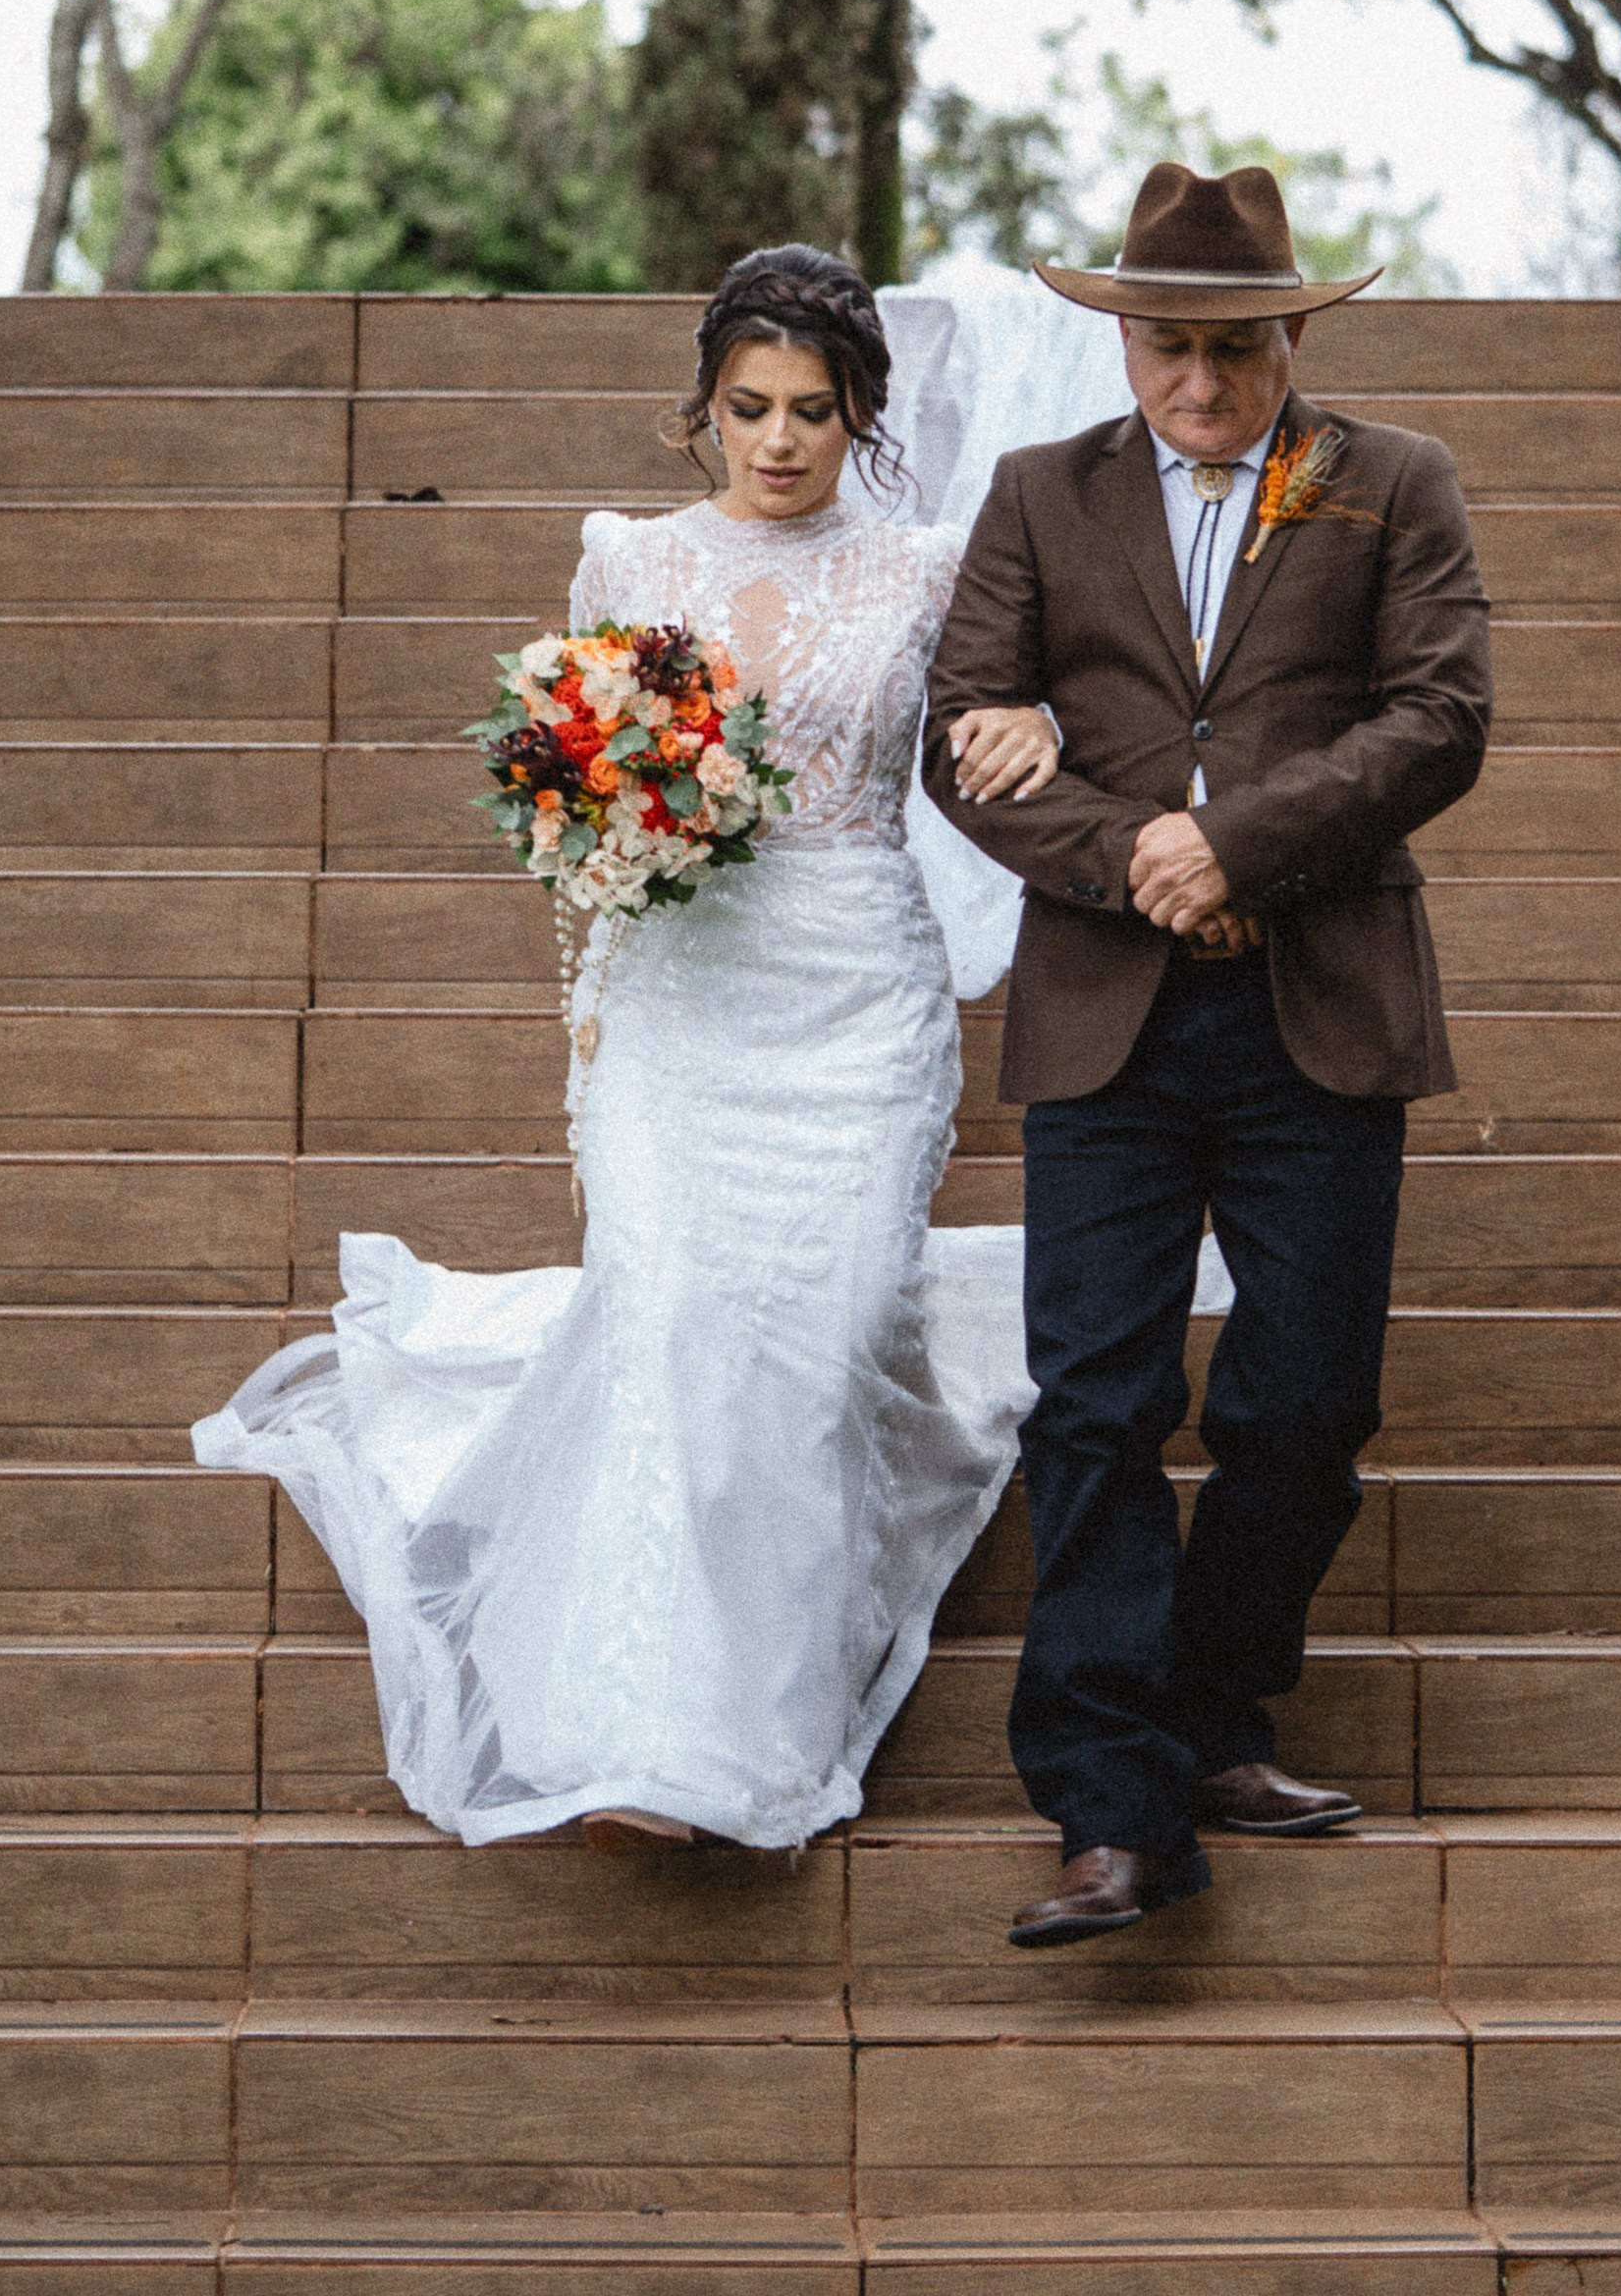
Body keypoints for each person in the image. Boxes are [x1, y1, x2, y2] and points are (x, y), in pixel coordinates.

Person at [194, 245, 1056, 1850]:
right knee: (666, 1316)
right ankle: (661, 1728)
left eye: (812, 409)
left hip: (856, 986)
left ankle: (768, 1688)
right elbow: (568, 790)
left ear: (863, 413)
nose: (779, 440)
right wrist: (596, 926)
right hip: (674, 992)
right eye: (748, 407)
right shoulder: (627, 559)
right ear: (702, 411)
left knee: (831, 1322)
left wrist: (1044, 729)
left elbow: (997, 724)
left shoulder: (932, 569)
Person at [923, 160, 1492, 1947]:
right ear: (1120, 340)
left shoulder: (1390, 484)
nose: (1199, 386)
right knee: (1093, 1407)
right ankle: (1108, 1806)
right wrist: (1146, 867)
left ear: (1290, 335)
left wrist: (1240, 842)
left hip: (1321, 1005)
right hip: (1106, 1022)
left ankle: (1216, 1717)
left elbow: (1441, 718)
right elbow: (964, 736)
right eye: (1166, 348)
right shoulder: (1036, 496)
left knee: (1302, 1405)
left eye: (1234, 350)